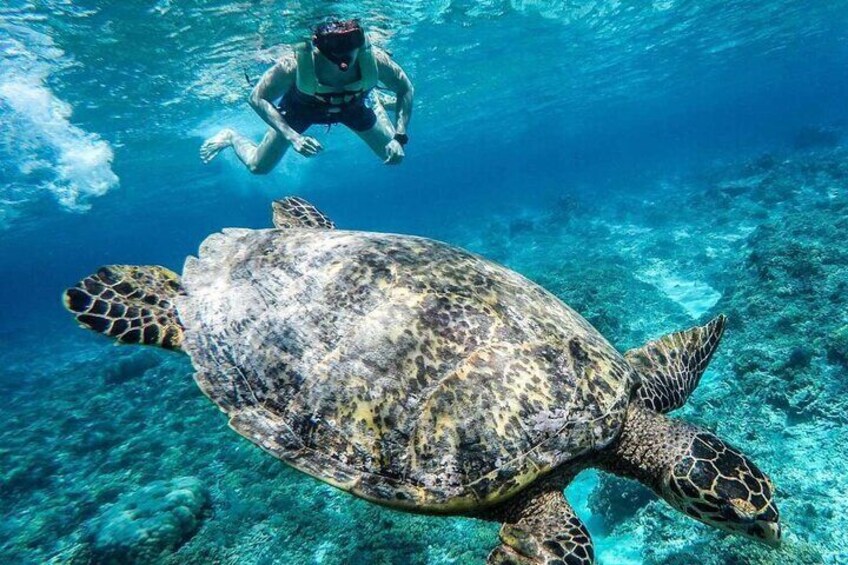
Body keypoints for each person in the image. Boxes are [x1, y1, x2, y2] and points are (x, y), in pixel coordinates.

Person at [200, 20, 414, 172]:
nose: (345, 52)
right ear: (320, 46)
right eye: (336, 46)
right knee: (258, 167)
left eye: (350, 43)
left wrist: (399, 137)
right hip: (301, 109)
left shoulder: (375, 60)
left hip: (354, 105)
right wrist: (293, 137)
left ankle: (374, 99)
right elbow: (257, 97)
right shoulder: (296, 65)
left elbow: (405, 88)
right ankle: (230, 136)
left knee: (394, 158)